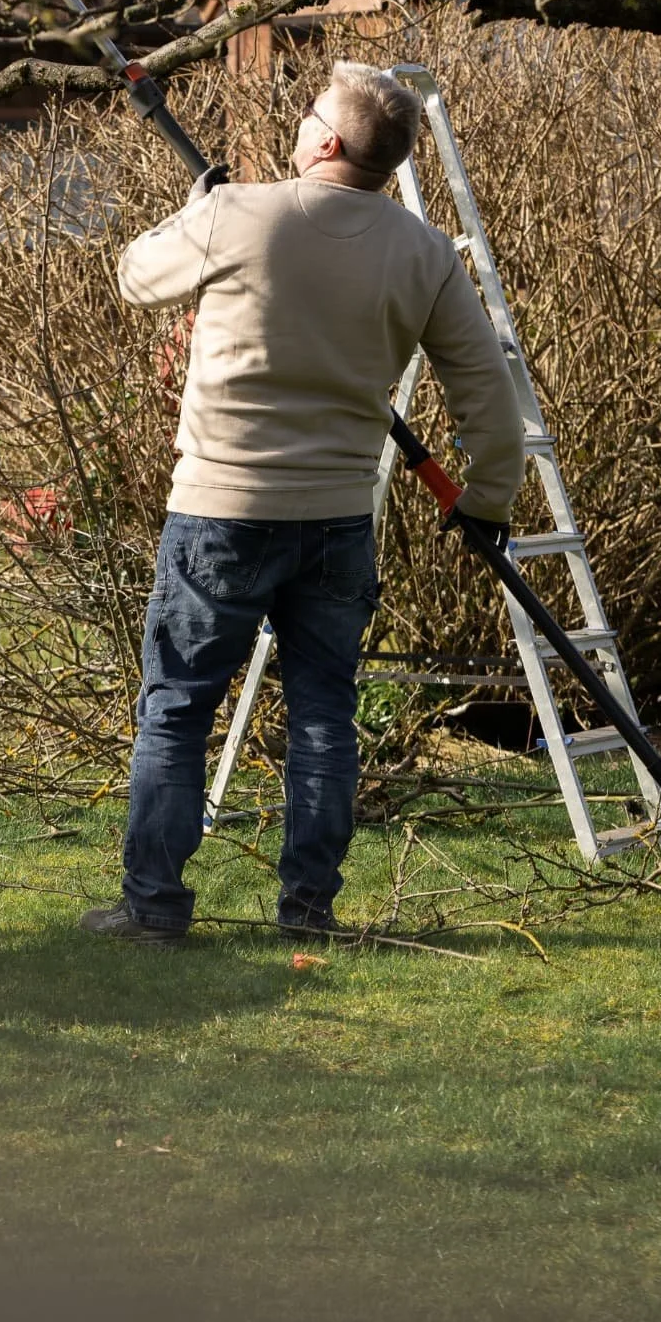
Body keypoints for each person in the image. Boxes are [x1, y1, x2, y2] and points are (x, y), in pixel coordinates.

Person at [80, 62, 525, 944]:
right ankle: (310, 911)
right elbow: (486, 390)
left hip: (220, 510)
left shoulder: (237, 215)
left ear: (326, 139)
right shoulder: (424, 253)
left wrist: (198, 211)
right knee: (324, 714)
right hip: (336, 520)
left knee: (178, 710)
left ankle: (153, 907)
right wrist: (487, 497)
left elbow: (134, 275)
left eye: (308, 113)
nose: (298, 123)